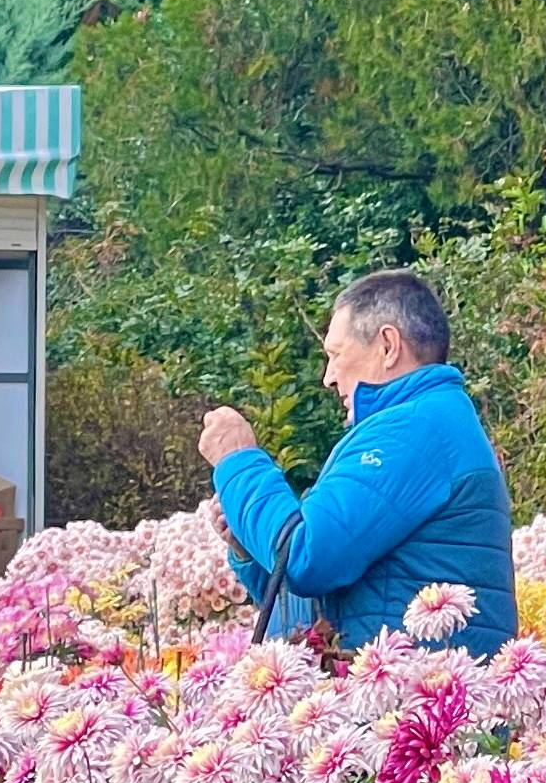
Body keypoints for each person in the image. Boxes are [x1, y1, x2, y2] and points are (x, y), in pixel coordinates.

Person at [201, 270, 517, 655]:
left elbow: (306, 558)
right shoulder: (428, 422)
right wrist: (250, 550)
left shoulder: (413, 430)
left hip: (415, 702)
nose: (328, 377)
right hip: (416, 697)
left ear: (387, 345)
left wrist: (239, 460)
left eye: (335, 355)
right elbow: (318, 600)